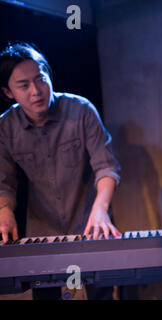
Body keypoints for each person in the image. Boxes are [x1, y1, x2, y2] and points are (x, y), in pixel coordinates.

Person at [0, 42, 121, 299]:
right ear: (8, 92)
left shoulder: (81, 110)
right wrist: (4, 210)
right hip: (42, 234)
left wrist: (101, 209)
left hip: (91, 226)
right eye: (23, 86)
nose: (36, 91)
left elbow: (106, 166)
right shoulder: (5, 128)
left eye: (40, 79)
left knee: (99, 294)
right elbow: (4, 182)